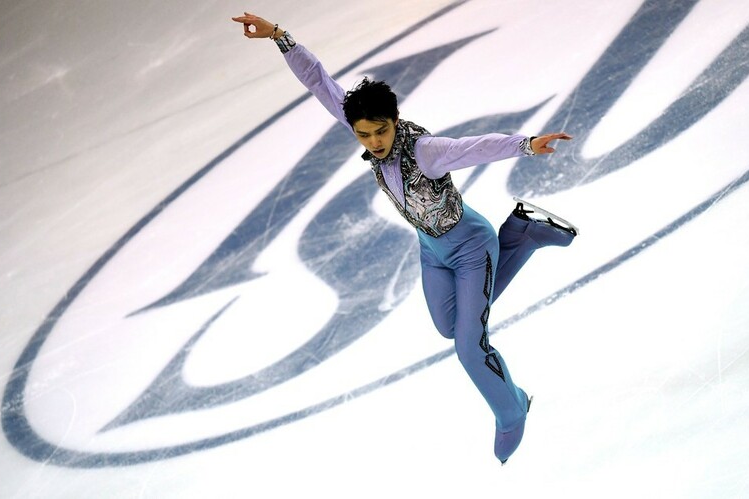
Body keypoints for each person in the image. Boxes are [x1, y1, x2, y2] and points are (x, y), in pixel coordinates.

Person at [232, 12, 578, 464]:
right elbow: (320, 82)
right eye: (364, 135)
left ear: (395, 119)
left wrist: (525, 144)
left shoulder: (424, 152)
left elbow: (471, 147)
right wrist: (279, 37)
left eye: (381, 131)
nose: (374, 142)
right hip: (431, 250)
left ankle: (512, 412)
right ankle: (524, 235)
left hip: (471, 248)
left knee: (470, 347)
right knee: (451, 327)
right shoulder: (361, 126)